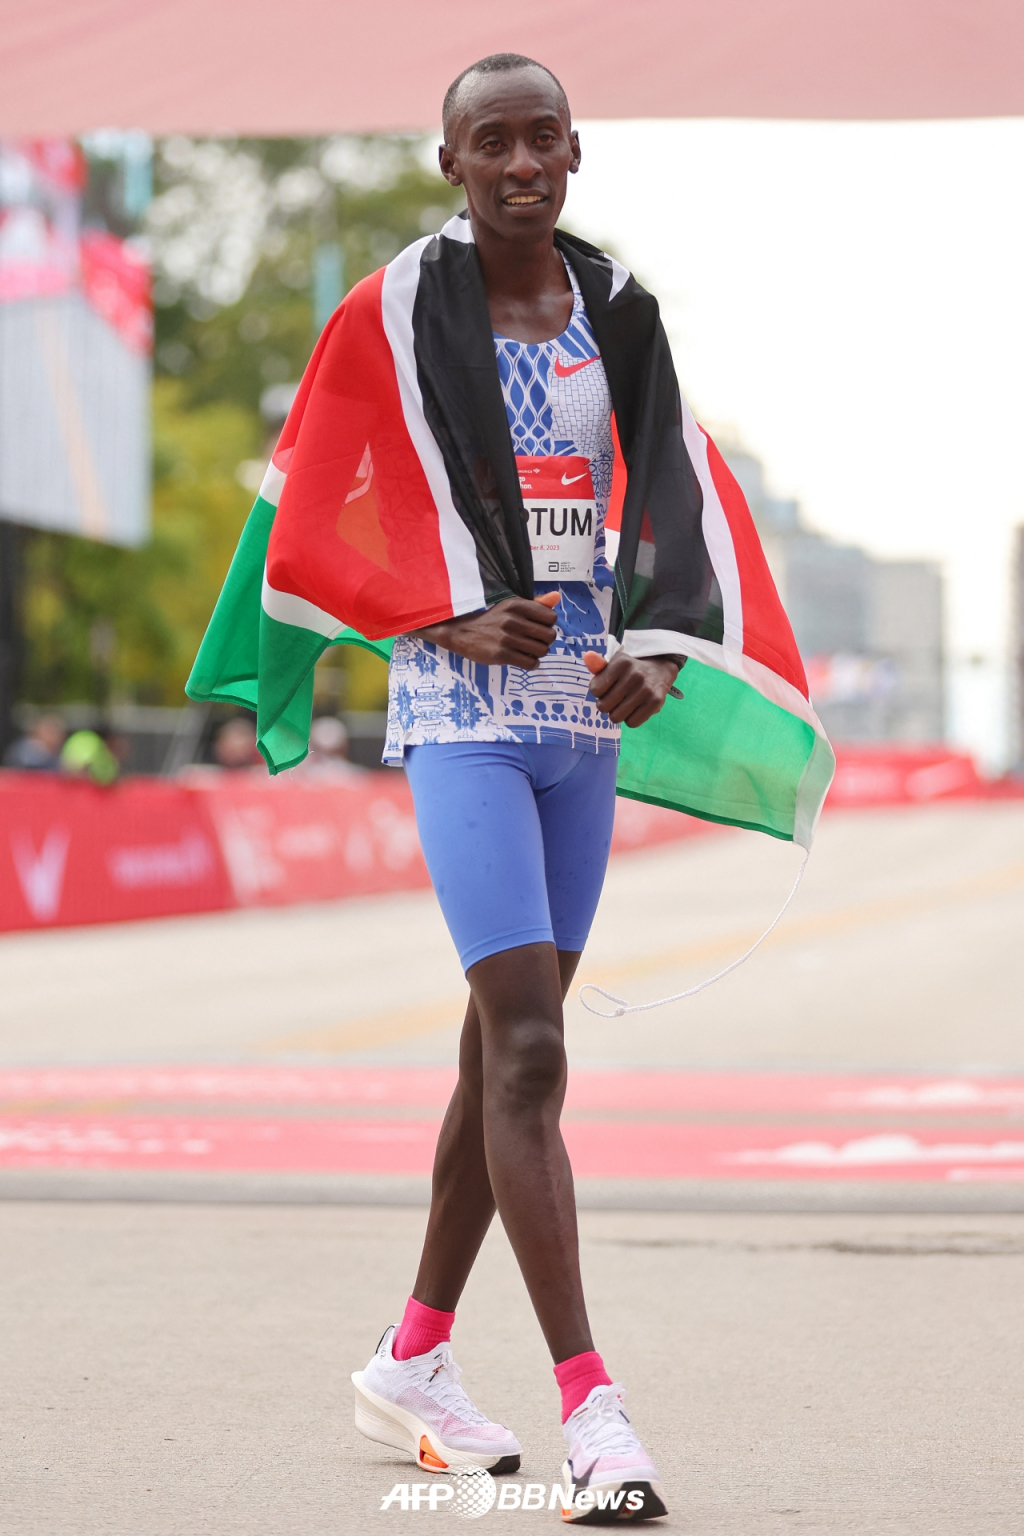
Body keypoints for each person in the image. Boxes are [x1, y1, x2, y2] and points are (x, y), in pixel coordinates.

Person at [350, 55, 679, 1522]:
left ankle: (412, 1356)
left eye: (543, 137)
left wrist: (660, 650)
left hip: (582, 718)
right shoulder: (397, 310)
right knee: (536, 1050)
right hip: (462, 709)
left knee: (501, 1053)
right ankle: (593, 1412)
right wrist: (438, 615)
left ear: (575, 151)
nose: (521, 161)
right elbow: (322, 498)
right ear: (452, 163)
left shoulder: (622, 311)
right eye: (492, 142)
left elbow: (665, 491)